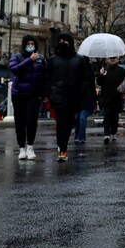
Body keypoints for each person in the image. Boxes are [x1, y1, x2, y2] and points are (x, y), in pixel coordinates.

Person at [46, 32, 90, 162]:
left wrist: (80, 94)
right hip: (58, 97)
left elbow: (85, 79)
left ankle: (63, 146)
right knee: (61, 123)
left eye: (66, 41)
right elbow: (47, 79)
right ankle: (62, 149)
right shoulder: (53, 60)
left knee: (69, 123)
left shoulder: (79, 59)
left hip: (73, 97)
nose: (63, 43)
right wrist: (50, 94)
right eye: (61, 40)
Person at [9, 35, 47, 160]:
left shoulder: (41, 59)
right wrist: (29, 60)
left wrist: (45, 93)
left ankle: (30, 146)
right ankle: (21, 148)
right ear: (24, 45)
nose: (31, 46)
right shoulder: (17, 57)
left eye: (33, 44)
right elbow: (15, 69)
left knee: (31, 120)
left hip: (34, 94)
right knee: (20, 122)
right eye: (28, 44)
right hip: (18, 94)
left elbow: (45, 76)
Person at [97, 56, 125, 144]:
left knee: (114, 117)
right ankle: (106, 134)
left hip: (117, 97)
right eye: (110, 58)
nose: (112, 59)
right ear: (107, 60)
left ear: (118, 59)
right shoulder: (104, 70)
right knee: (107, 115)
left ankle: (113, 132)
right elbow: (99, 82)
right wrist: (101, 75)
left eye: (114, 58)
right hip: (106, 97)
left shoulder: (121, 70)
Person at [74, 56, 97, 144]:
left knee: (82, 118)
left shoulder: (89, 73)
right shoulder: (75, 72)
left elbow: (92, 87)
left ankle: (81, 137)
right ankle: (78, 135)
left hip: (85, 98)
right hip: (78, 99)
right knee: (78, 118)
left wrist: (94, 100)